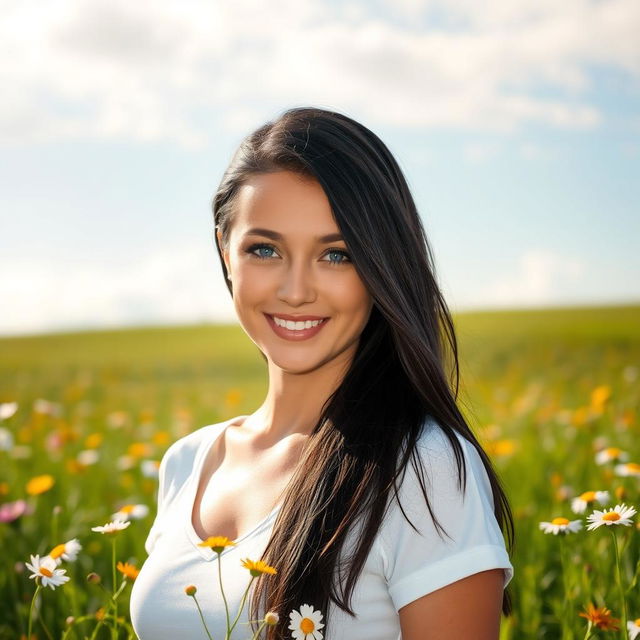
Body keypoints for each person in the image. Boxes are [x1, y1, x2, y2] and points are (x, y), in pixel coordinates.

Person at [129, 106, 515, 640]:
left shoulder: (423, 470)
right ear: (225, 253)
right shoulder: (187, 463)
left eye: (337, 255)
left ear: (382, 266)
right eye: (264, 249)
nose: (295, 290)